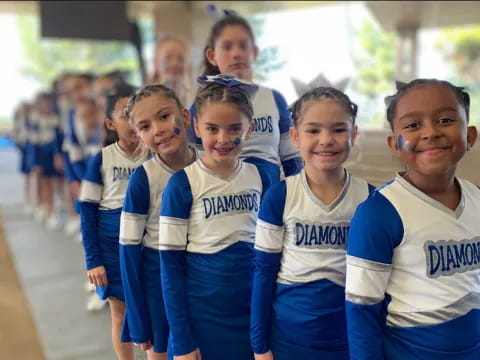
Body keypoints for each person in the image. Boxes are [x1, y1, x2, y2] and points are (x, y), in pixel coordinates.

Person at [345, 79, 480, 360]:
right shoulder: (378, 213)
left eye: (445, 120)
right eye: (413, 125)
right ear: (394, 144)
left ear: (470, 136)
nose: (431, 132)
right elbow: (361, 311)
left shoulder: (477, 199)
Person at [250, 87, 373, 360]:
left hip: (349, 338)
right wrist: (259, 345)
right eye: (313, 130)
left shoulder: (370, 200)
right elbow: (263, 271)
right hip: (289, 338)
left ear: (354, 134)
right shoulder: (279, 196)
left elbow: (381, 281)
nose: (326, 140)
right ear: (294, 136)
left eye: (339, 130)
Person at [159, 76, 269, 360]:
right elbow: (170, 266)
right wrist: (182, 339)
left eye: (234, 128)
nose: (222, 138)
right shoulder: (183, 184)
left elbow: (272, 256)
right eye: (212, 128)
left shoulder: (261, 176)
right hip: (202, 318)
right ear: (196, 126)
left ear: (250, 129)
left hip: (251, 316)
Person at [119, 84, 198, 359]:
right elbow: (128, 252)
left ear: (185, 117)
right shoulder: (143, 178)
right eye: (145, 126)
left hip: (201, 276)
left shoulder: (209, 166)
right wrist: (138, 318)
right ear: (140, 137)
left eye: (164, 116)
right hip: (159, 282)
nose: (158, 129)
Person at [188, 14, 303, 187]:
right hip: (222, 199)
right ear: (212, 56)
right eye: (227, 47)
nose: (236, 54)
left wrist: (288, 197)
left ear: (254, 52)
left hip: (269, 204)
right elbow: (195, 168)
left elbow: (292, 160)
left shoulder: (273, 99)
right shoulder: (200, 107)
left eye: (243, 46)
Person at [78, 81, 150, 359]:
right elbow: (86, 212)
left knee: (150, 309)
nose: (132, 120)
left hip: (147, 243)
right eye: (124, 114)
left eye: (136, 112)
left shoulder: (155, 155)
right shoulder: (101, 160)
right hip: (111, 247)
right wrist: (93, 260)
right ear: (110, 123)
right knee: (119, 312)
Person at [148, 35, 192, 107]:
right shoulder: (142, 101)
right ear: (155, 63)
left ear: (188, 66)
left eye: (181, 58)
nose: (175, 63)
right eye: (168, 57)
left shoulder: (196, 102)